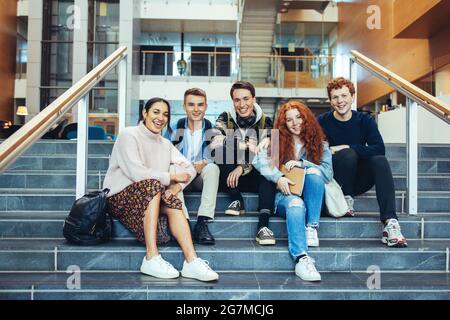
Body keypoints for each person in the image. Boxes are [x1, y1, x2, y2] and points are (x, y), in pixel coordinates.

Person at [103, 97, 219, 281]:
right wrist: (172, 177)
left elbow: (189, 168)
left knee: (173, 201)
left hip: (151, 195)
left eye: (165, 114)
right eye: (156, 112)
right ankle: (151, 257)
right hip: (120, 197)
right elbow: (137, 173)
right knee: (154, 185)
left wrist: (176, 188)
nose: (161, 118)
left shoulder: (165, 144)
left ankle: (191, 261)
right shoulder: (128, 135)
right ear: (145, 113)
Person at [318, 77, 407, 247]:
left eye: (344, 96)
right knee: (348, 154)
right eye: (335, 97)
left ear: (352, 96)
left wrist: (346, 146)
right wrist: (337, 151)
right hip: (335, 180)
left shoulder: (364, 120)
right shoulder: (323, 121)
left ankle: (390, 222)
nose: (340, 101)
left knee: (379, 160)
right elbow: (316, 151)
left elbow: (379, 148)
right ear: (330, 100)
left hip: (360, 179)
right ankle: (345, 199)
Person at [253, 100, 333, 281]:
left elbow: (327, 174)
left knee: (314, 172)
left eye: (299, 117)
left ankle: (311, 227)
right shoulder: (275, 140)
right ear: (284, 124)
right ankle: (301, 258)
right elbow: (258, 161)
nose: (295, 123)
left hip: (311, 197)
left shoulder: (321, 143)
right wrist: (278, 177)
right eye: (289, 120)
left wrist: (302, 163)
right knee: (296, 203)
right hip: (285, 196)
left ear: (307, 119)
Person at [210, 81, 277, 245]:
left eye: (246, 99)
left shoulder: (266, 121)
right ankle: (237, 200)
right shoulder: (225, 117)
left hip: (254, 176)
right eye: (237, 100)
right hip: (229, 178)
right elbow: (216, 142)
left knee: (267, 169)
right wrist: (246, 145)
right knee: (220, 151)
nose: (242, 104)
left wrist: (241, 167)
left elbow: (265, 153)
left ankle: (263, 227)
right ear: (232, 101)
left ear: (254, 99)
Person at [167, 88, 220, 245]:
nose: (196, 109)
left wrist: (204, 162)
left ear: (206, 107)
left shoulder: (211, 128)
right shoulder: (176, 127)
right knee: (172, 168)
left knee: (213, 168)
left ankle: (202, 222)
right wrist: (184, 164)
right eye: (191, 105)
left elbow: (216, 156)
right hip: (180, 177)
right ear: (184, 106)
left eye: (200, 105)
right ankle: (183, 223)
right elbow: (164, 153)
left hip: (198, 180)